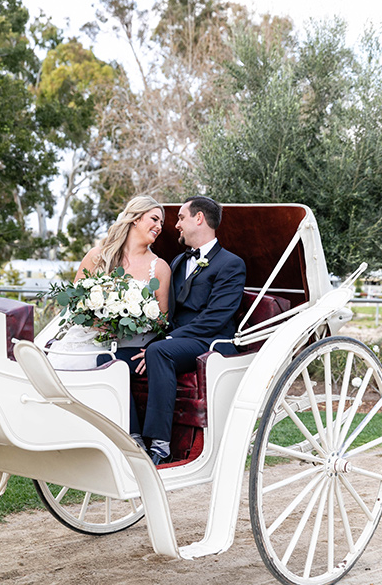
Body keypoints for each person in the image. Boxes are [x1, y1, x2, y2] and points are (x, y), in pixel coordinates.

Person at [109, 196, 246, 465]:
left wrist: (165, 340)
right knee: (117, 358)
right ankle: (133, 437)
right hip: (173, 341)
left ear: (199, 218)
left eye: (181, 218)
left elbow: (216, 318)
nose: (176, 225)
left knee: (159, 351)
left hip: (209, 341)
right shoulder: (178, 262)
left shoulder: (231, 264)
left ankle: (160, 444)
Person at [47, 196, 171, 371]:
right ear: (135, 218)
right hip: (90, 335)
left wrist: (129, 324)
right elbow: (74, 300)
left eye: (161, 223)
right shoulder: (97, 255)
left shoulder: (160, 268)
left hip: (130, 343)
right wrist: (95, 322)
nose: (159, 227)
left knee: (93, 365)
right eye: (154, 219)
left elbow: (163, 320)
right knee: (65, 362)